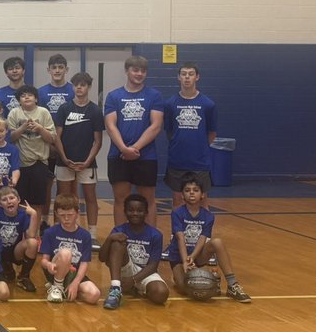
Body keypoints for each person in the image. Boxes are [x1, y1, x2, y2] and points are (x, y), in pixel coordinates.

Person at [169, 175, 251, 303]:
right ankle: (198, 277)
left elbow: (202, 239)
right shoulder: (177, 213)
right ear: (182, 195)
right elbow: (180, 238)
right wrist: (186, 260)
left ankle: (232, 285)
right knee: (186, 289)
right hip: (178, 257)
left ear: (202, 195)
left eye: (195, 190)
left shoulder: (208, 216)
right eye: (187, 190)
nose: (191, 193)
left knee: (217, 242)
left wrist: (192, 258)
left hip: (197, 255)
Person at [104, 55, 165, 227]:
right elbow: (110, 125)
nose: (139, 74)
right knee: (120, 199)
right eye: (135, 70)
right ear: (127, 71)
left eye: (143, 71)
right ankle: (121, 240)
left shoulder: (154, 96)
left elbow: (156, 126)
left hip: (145, 156)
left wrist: (135, 148)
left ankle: (151, 240)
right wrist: (124, 148)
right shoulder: (114, 96)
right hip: (119, 156)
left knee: (148, 200)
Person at [54, 71, 104, 242]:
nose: (79, 88)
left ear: (89, 87)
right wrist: (64, 158)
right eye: (76, 85)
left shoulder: (95, 111)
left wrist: (87, 161)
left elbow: (98, 141)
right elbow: (56, 137)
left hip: (87, 163)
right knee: (63, 198)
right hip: (64, 162)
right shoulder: (64, 108)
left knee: (90, 198)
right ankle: (60, 231)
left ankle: (92, 234)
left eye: (83, 85)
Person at [100, 193, 168, 310]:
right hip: (125, 268)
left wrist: (133, 280)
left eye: (139, 210)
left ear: (146, 213)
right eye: (131, 210)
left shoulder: (156, 234)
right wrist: (109, 239)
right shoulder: (119, 230)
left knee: (161, 294)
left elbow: (153, 266)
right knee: (117, 242)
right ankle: (116, 289)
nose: (135, 213)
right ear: (125, 212)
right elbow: (102, 258)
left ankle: (136, 288)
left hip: (145, 271)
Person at [163, 62, 218, 207]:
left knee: (202, 198)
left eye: (191, 74)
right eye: (184, 74)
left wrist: (200, 147)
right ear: (178, 77)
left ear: (197, 77)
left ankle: (204, 230)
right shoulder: (170, 104)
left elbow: (212, 133)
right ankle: (177, 230)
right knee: (177, 199)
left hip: (200, 161)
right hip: (177, 160)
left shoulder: (208, 104)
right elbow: (169, 132)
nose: (187, 77)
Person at [39, 194, 100, 305]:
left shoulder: (85, 235)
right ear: (57, 214)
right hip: (56, 271)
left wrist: (76, 283)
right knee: (66, 253)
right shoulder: (50, 232)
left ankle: (67, 291)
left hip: (74, 273)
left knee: (94, 295)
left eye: (70, 215)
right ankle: (57, 287)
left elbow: (84, 263)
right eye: (62, 215)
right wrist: (48, 265)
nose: (66, 219)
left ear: (77, 213)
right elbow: (43, 260)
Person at [7, 87, 55, 216]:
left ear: (36, 98)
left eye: (30, 95)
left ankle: (36, 232)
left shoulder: (43, 112)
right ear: (19, 100)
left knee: (37, 202)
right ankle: (23, 232)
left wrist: (40, 129)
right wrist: (22, 128)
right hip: (20, 164)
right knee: (20, 201)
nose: (27, 97)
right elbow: (9, 138)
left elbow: (51, 138)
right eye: (23, 96)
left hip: (39, 163)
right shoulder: (14, 113)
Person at [0, 185, 40, 293]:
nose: (9, 202)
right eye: (4, 200)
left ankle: (23, 277)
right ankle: (5, 267)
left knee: (33, 243)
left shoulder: (23, 215)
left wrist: (34, 214)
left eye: (11, 198)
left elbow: (31, 235)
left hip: (15, 252)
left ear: (18, 200)